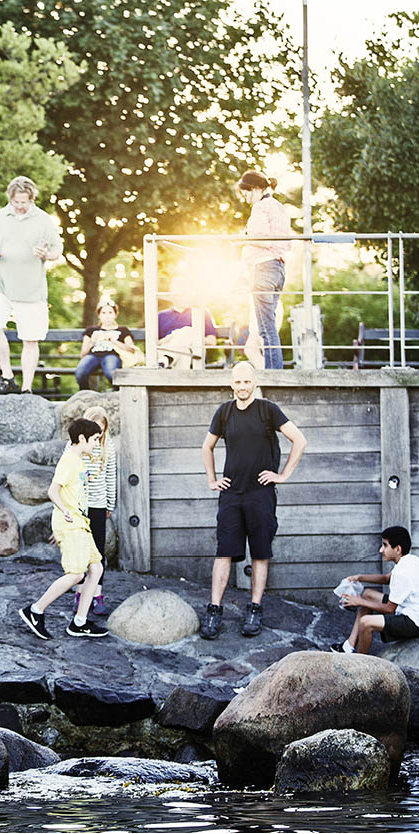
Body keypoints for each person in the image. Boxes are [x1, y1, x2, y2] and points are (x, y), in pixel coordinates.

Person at [200, 361, 307, 639]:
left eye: (247, 381)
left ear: (255, 382)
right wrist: (212, 479)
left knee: (260, 552)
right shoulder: (224, 412)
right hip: (231, 493)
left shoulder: (267, 409)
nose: (242, 387)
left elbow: (300, 440)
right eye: (237, 382)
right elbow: (207, 446)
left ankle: (255, 609)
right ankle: (214, 610)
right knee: (224, 552)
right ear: (231, 383)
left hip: (260, 493)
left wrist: (282, 475)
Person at [19, 418, 109, 639]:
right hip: (72, 524)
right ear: (81, 439)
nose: (97, 443)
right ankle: (35, 610)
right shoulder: (68, 460)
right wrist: (64, 512)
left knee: (96, 569)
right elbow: (53, 490)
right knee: (76, 574)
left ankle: (80, 622)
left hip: (81, 524)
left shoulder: (79, 461)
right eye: (95, 439)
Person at [0, 176, 63, 395]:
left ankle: (26, 387)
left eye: (24, 202)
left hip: (32, 289)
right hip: (1, 283)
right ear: (11, 198)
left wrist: (46, 254)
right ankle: (7, 377)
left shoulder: (43, 219)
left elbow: (57, 250)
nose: (20, 206)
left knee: (30, 338)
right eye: (16, 202)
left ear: (31, 199)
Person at [331, 527, 419, 654]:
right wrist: (360, 577)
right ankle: (348, 646)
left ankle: (361, 663)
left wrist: (359, 602)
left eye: (385, 545)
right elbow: (386, 578)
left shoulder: (402, 574)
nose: (380, 550)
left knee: (366, 623)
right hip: (406, 608)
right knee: (368, 594)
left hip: (413, 622)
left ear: (398, 549)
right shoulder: (410, 560)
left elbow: (389, 609)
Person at [237, 170, 292, 370]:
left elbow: (262, 238)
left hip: (263, 268)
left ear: (255, 189)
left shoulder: (260, 207)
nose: (246, 200)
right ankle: (274, 369)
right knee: (269, 324)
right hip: (278, 269)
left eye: (246, 194)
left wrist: (244, 237)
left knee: (265, 326)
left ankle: (273, 372)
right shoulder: (279, 207)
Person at [72, 405, 117, 616]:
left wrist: (110, 504)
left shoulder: (109, 447)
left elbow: (110, 477)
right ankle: (80, 592)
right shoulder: (74, 447)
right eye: (93, 430)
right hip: (80, 505)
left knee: (98, 551)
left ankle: (97, 593)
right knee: (80, 550)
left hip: (98, 504)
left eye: (101, 430)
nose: (97, 435)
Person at [157, 279, 219, 370]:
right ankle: (183, 382)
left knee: (187, 332)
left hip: (194, 352)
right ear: (171, 295)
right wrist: (169, 339)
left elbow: (212, 342)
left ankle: (168, 358)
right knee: (184, 353)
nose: (179, 296)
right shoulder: (161, 316)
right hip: (167, 348)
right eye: (176, 293)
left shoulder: (201, 313)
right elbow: (154, 344)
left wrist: (191, 336)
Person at [75, 301, 134, 389]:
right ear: (99, 315)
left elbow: (131, 349)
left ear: (115, 314)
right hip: (93, 356)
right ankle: (86, 394)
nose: (107, 316)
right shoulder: (91, 330)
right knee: (80, 372)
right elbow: (82, 354)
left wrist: (114, 341)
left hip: (111, 355)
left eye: (110, 313)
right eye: (103, 313)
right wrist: (92, 341)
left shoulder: (122, 330)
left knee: (111, 373)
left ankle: (118, 394)